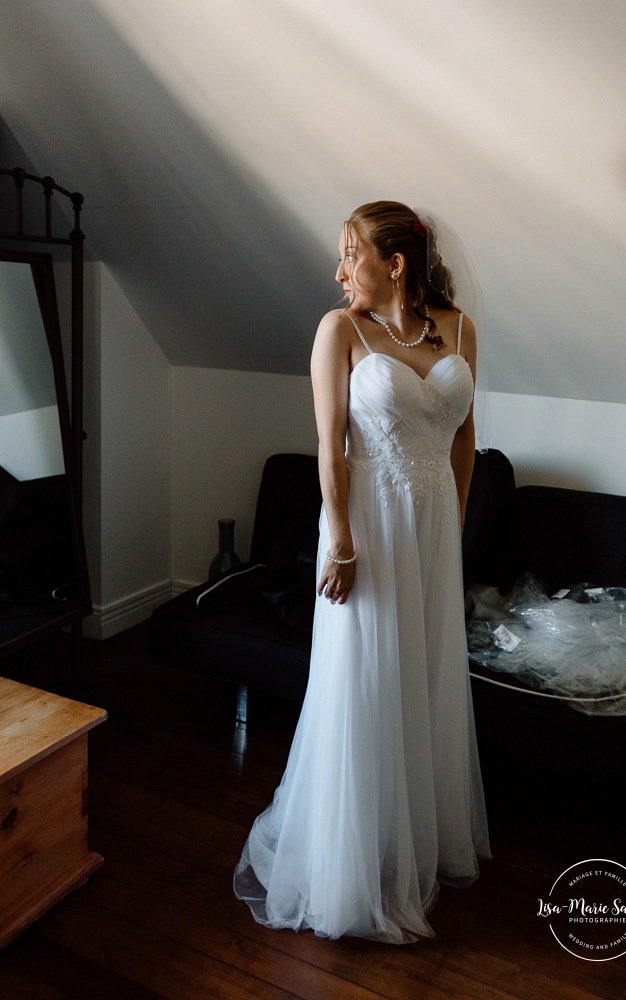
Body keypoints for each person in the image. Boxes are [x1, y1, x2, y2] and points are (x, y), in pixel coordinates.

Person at [234, 200, 490, 943]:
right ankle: (344, 862)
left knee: (422, 675)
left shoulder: (460, 329)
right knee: (367, 680)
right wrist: (339, 542)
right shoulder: (337, 331)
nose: (338, 270)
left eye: (350, 254)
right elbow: (328, 446)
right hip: (365, 526)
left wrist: (456, 522)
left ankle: (407, 839)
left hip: (433, 525)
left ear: (395, 264)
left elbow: (466, 437)